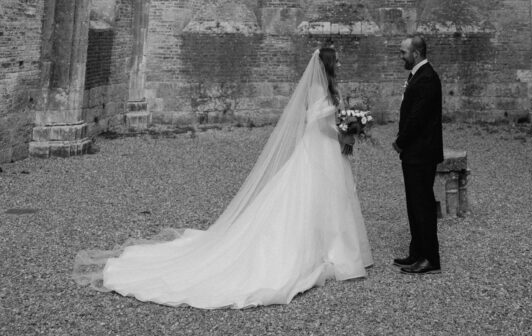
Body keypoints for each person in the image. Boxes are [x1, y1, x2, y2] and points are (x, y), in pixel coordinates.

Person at [73, 45, 372, 309]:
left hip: (326, 150)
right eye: (339, 61)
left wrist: (347, 129)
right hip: (319, 148)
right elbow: (316, 124)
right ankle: (321, 251)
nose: (341, 65)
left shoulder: (328, 87)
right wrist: (344, 133)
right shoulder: (318, 89)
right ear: (328, 64)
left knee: (325, 199)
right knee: (312, 197)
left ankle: (331, 248)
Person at [392, 34, 443, 275]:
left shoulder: (427, 78)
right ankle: (417, 252)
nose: (400, 56)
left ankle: (430, 258)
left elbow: (417, 118)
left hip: (421, 152)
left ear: (417, 53)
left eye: (403, 52)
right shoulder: (417, 75)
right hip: (415, 152)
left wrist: (400, 142)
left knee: (422, 205)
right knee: (414, 204)